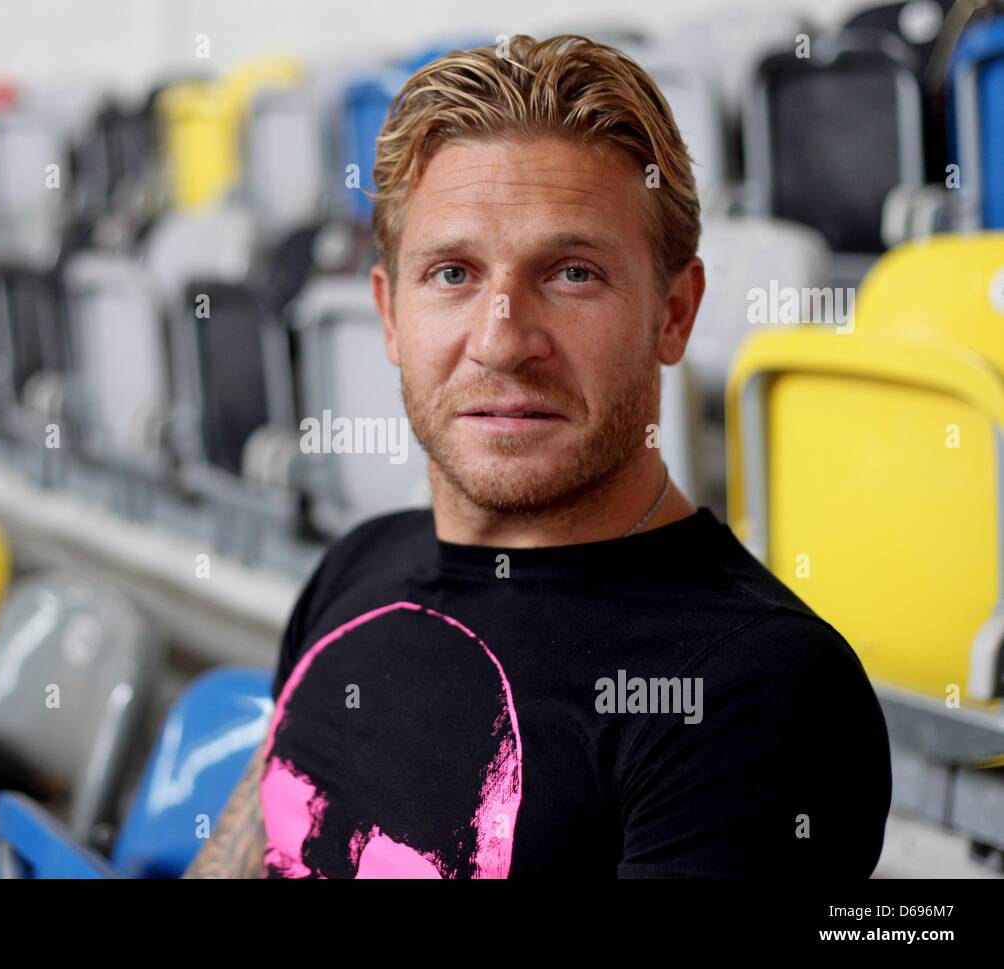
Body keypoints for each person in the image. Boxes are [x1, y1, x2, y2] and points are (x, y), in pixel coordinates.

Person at [185, 33, 891, 879]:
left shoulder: (758, 692)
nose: (502, 340)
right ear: (387, 315)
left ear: (674, 312)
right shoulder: (358, 565)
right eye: (452, 273)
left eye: (572, 273)